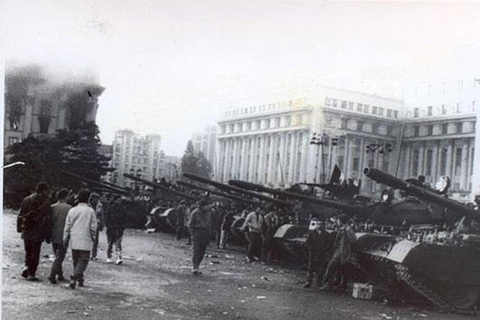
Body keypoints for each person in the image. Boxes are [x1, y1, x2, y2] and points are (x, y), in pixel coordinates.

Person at [17, 182, 52, 281]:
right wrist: (48, 234)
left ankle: (26, 267)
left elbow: (20, 214)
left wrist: (19, 228)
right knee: (35, 252)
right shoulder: (46, 202)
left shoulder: (27, 199)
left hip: (27, 229)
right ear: (43, 190)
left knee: (28, 251)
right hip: (38, 231)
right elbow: (47, 220)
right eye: (47, 190)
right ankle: (32, 273)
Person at [63, 189, 97, 289]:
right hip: (86, 238)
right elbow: (93, 227)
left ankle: (79, 279)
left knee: (76, 260)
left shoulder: (72, 210)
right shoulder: (90, 211)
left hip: (74, 238)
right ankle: (75, 276)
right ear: (88, 199)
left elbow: (67, 226)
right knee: (84, 260)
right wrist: (93, 238)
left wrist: (65, 237)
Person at [320, 214, 356, 291]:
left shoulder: (348, 229)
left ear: (341, 221)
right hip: (339, 251)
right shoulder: (343, 228)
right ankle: (340, 284)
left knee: (331, 267)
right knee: (341, 269)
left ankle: (328, 284)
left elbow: (353, 240)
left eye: (338, 220)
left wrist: (348, 249)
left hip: (342, 252)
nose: (337, 221)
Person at [48, 188, 72, 284]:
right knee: (60, 256)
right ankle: (52, 274)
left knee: (57, 254)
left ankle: (60, 274)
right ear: (65, 197)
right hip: (64, 235)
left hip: (54, 234)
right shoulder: (69, 208)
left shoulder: (52, 207)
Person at [187, 199, 211, 275]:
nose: (208, 207)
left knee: (202, 251)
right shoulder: (195, 213)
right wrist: (192, 234)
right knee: (196, 250)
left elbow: (209, 223)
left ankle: (197, 265)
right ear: (202, 206)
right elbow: (190, 224)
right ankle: (195, 268)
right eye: (207, 205)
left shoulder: (208, 214)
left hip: (205, 233)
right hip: (197, 232)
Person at [303, 220, 329, 288]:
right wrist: (311, 248)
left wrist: (325, 249)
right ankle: (308, 282)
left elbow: (329, 243)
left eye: (321, 224)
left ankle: (319, 283)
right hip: (313, 253)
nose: (319, 225)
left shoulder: (326, 234)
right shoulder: (312, 233)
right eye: (318, 224)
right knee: (310, 268)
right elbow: (307, 242)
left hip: (321, 253)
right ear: (316, 225)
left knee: (320, 269)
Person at [104, 196, 127, 265]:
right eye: (118, 200)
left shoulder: (123, 209)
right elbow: (106, 219)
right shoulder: (110, 209)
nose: (119, 202)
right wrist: (109, 226)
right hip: (111, 229)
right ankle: (109, 257)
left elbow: (125, 219)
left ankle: (118, 258)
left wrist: (123, 227)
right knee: (110, 244)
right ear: (114, 201)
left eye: (120, 200)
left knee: (118, 244)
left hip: (118, 229)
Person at [89, 193, 104, 260]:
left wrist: (102, 224)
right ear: (92, 198)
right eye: (96, 198)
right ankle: (87, 253)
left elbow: (102, 215)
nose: (97, 200)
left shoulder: (100, 206)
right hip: (88, 223)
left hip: (96, 224)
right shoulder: (88, 205)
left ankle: (94, 255)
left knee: (95, 240)